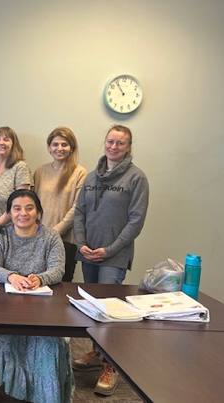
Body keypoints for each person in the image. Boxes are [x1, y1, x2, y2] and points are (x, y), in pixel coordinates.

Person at [72, 124, 149, 396]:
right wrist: (81, 244)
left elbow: (136, 221)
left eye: (120, 143)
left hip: (113, 257)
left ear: (128, 147)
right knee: (93, 309)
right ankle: (97, 349)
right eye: (110, 141)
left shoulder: (136, 178)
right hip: (88, 253)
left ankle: (111, 366)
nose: (113, 147)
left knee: (110, 312)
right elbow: (79, 212)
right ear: (104, 143)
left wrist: (111, 249)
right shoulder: (92, 176)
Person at [0, 189, 74, 403]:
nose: (23, 213)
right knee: (4, 338)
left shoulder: (51, 237)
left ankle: (46, 395)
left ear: (38, 212)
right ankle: (18, 389)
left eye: (29, 208)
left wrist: (40, 279)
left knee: (51, 343)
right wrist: (12, 276)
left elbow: (57, 269)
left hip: (43, 309)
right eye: (17, 208)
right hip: (5, 308)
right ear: (10, 213)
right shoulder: (0, 236)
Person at [33, 127, 87, 282]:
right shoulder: (40, 171)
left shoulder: (80, 172)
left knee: (61, 284)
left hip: (66, 241)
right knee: (38, 282)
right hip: (38, 237)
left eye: (64, 144)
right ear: (49, 148)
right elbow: (33, 204)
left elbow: (78, 207)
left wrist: (55, 231)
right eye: (55, 144)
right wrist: (39, 231)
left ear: (71, 148)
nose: (59, 148)